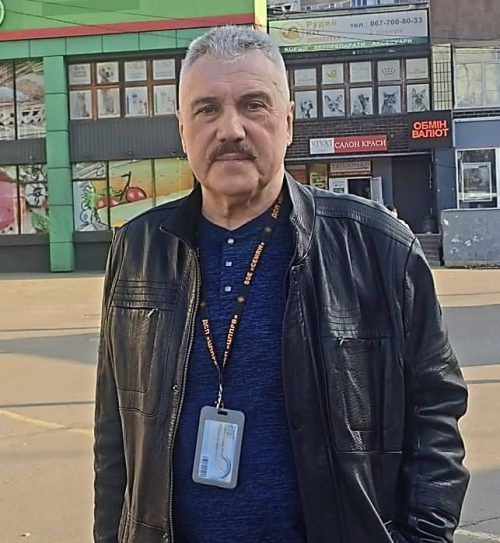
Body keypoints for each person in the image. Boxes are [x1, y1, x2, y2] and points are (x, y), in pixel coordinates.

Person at [93, 26, 469, 543]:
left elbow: (435, 413)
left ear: (288, 121)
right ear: (182, 129)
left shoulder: (378, 246)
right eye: (206, 109)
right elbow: (114, 431)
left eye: (254, 105)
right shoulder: (138, 250)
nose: (230, 129)